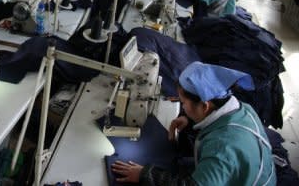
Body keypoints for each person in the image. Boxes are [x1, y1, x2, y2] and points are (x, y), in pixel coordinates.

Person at [111, 62, 276, 185]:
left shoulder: (221, 150)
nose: (182, 107)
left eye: (183, 103)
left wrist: (145, 175)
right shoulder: (242, 109)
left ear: (205, 106)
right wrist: (191, 120)